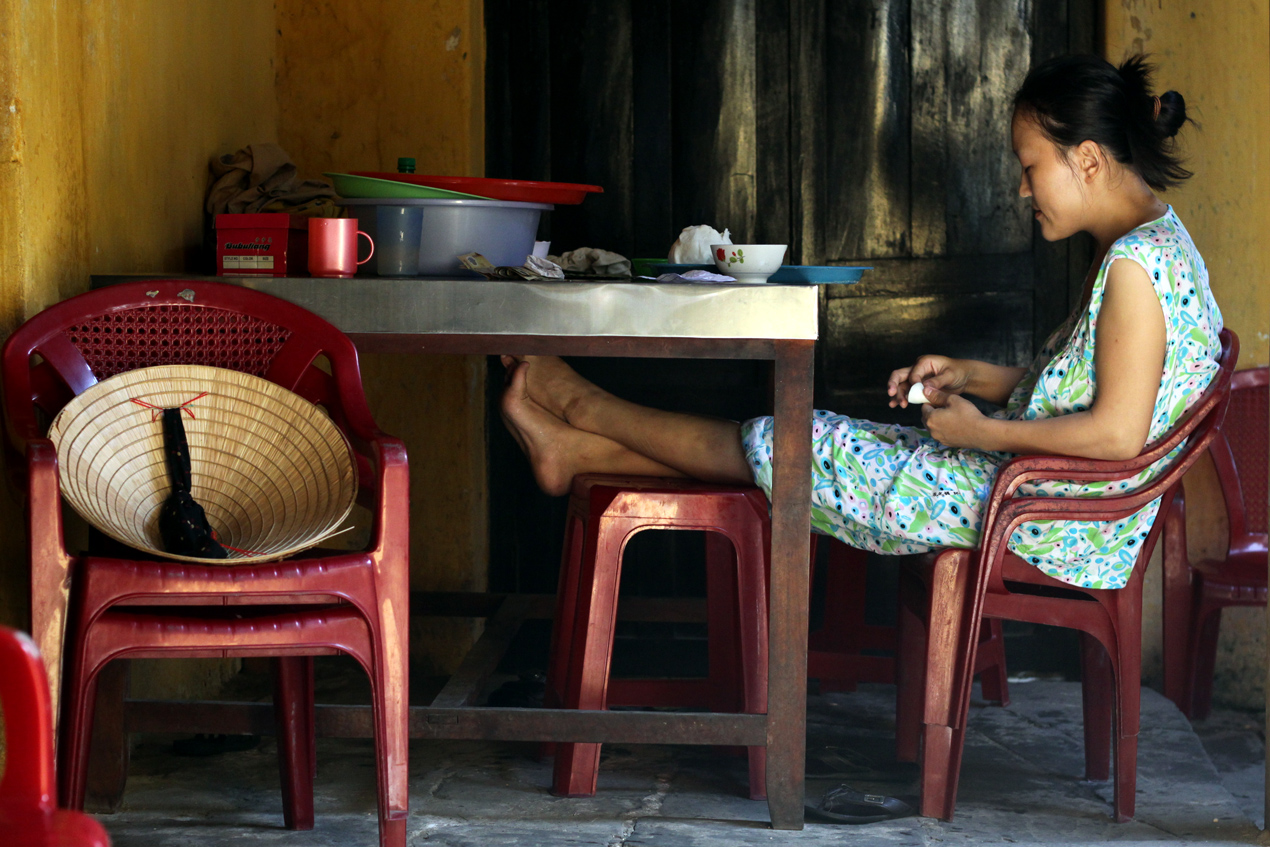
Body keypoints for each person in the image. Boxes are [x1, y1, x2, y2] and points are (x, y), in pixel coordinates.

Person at [499, 54, 1223, 591]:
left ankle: (584, 408)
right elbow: (1085, 393)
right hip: (1046, 499)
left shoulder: (1134, 267)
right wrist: (970, 376)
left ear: (1088, 160)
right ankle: (576, 449)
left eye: (1030, 166)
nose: (1024, 186)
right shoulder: (1155, 246)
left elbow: (1115, 433)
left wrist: (984, 432)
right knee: (798, 451)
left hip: (1049, 522)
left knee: (795, 443)